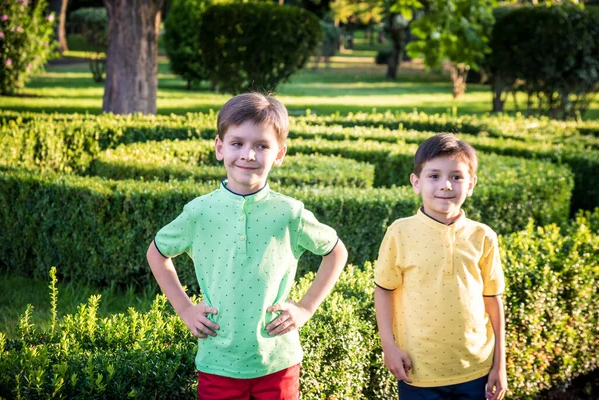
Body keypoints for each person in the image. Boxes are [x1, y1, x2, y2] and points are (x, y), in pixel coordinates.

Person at [147, 92, 348, 400]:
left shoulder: (289, 212)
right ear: (219, 147)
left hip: (278, 362)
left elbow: (336, 252)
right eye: (237, 143)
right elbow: (157, 253)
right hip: (217, 362)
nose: (248, 155)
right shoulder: (199, 212)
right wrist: (186, 309)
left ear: (279, 153)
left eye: (261, 146)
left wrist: (306, 308)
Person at [374, 134, 507, 400]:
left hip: (475, 370)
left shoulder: (483, 236)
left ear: (471, 184)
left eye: (456, 177)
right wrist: (388, 346)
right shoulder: (400, 232)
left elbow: (493, 300)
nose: (445, 185)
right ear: (416, 182)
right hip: (418, 370)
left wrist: (499, 365)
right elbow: (384, 290)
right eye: (434, 176)